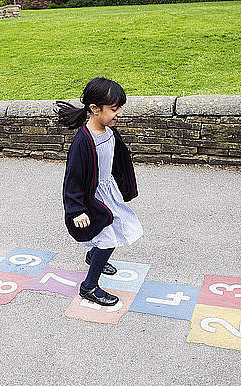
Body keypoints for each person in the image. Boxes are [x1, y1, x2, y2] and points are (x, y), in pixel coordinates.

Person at [56, 77, 143, 307]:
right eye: (114, 109)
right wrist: (76, 210)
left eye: (120, 107)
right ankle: (89, 287)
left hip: (108, 191)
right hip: (92, 197)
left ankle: (93, 257)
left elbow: (118, 162)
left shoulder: (109, 132)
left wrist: (125, 187)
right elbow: (72, 180)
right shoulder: (84, 141)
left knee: (113, 230)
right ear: (94, 109)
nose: (120, 113)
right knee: (108, 237)